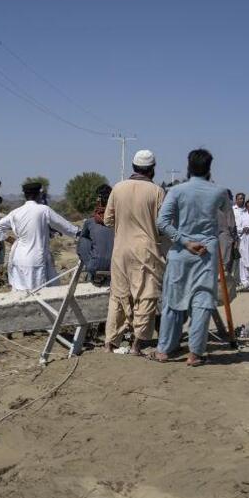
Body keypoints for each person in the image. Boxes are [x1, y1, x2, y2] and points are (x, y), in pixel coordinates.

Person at [154, 149, 231, 366]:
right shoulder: (220, 192)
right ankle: (195, 353)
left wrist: (185, 241)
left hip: (181, 253)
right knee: (203, 302)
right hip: (206, 254)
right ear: (209, 168)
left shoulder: (176, 191)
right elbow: (227, 220)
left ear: (188, 166)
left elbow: (162, 223)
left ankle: (164, 350)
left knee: (172, 301)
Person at [103, 150, 166, 356]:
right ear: (152, 169)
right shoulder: (156, 191)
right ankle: (137, 345)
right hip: (146, 250)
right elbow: (163, 224)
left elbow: (108, 220)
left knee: (119, 295)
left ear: (133, 166)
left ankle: (110, 343)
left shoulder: (118, 188)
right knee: (146, 296)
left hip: (120, 249)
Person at [0, 181, 80, 291]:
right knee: (39, 294)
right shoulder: (43, 210)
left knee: (21, 294)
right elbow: (64, 226)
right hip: (36, 260)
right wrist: (79, 233)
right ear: (38, 194)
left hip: (18, 259)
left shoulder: (15, 212)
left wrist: (10, 239)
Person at [77, 183, 115, 285]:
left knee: (83, 239)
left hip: (96, 266)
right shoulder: (119, 220)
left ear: (99, 200)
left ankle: (93, 270)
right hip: (118, 266)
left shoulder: (90, 222)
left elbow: (82, 242)